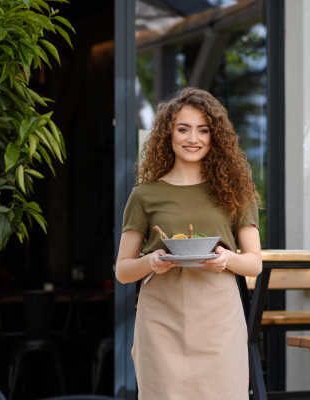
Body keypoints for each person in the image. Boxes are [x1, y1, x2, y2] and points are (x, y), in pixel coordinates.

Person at [115, 88, 262, 400]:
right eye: (183, 129)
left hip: (218, 319)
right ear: (168, 134)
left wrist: (227, 259)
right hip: (160, 319)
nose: (192, 138)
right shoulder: (144, 195)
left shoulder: (236, 192)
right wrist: (150, 261)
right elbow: (123, 271)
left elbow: (254, 262)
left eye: (203, 130)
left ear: (215, 136)